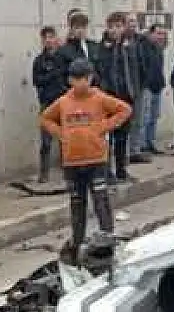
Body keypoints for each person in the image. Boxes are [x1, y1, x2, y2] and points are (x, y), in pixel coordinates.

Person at [40, 59, 131, 257]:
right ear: (70, 80)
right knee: (77, 204)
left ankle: (108, 240)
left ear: (91, 78)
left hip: (96, 159)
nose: (81, 83)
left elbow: (124, 109)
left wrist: (103, 127)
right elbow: (45, 118)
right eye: (76, 79)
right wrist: (61, 133)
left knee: (101, 201)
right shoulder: (64, 101)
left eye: (85, 79)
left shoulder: (99, 98)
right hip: (72, 162)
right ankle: (77, 244)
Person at [97, 11, 148, 182]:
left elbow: (137, 68)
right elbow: (100, 71)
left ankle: (121, 170)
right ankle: (107, 172)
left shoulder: (130, 46)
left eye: (118, 26)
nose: (115, 30)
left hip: (126, 96)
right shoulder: (103, 48)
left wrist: (134, 89)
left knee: (123, 135)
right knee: (108, 137)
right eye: (111, 27)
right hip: (109, 96)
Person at [32, 25, 63, 182]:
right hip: (47, 104)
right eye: (46, 38)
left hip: (63, 103)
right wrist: (52, 74)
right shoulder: (39, 61)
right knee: (46, 142)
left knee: (66, 140)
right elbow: (37, 81)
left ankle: (68, 170)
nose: (49, 41)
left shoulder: (63, 57)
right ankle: (44, 173)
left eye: (51, 37)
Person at [138, 24, 169, 155]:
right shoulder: (143, 46)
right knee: (145, 117)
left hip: (157, 85)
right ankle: (142, 145)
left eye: (163, 34)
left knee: (154, 117)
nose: (161, 36)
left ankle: (150, 142)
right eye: (158, 33)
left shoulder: (159, 48)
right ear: (151, 33)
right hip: (147, 86)